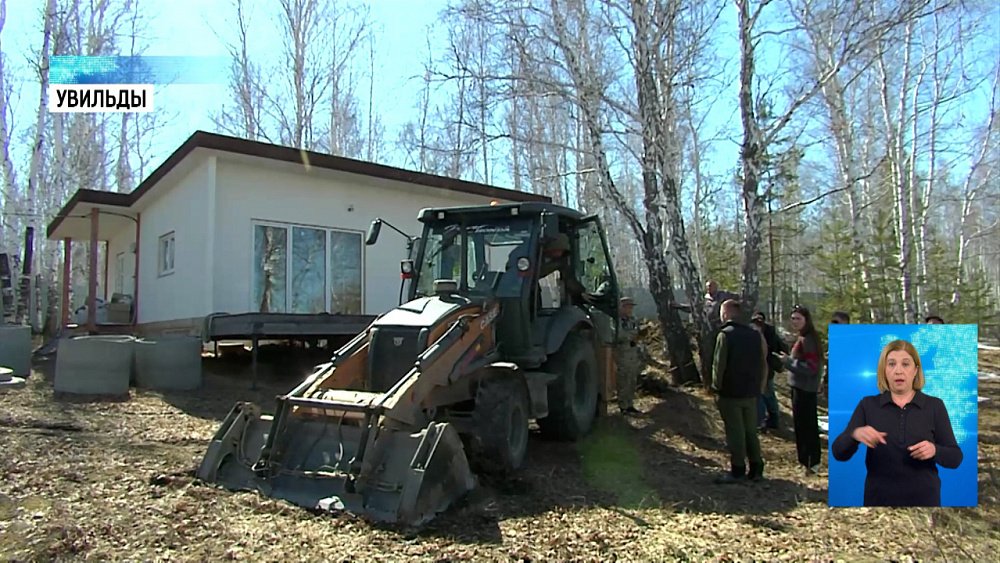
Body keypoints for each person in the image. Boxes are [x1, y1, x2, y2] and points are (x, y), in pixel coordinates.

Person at [831, 339, 963, 506]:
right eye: (891, 364)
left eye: (905, 364)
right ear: (884, 371)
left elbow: (955, 457)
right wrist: (855, 434)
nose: (898, 371)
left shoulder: (934, 406)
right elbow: (838, 452)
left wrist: (934, 450)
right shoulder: (868, 405)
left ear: (915, 370)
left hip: (924, 503)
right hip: (878, 503)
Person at [711, 299, 768, 483]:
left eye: (721, 311)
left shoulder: (725, 335)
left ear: (726, 313)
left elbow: (719, 365)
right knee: (751, 430)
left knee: (735, 431)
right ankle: (757, 467)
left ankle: (737, 469)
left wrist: (715, 387)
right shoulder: (754, 335)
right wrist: (760, 386)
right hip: (751, 391)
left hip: (730, 391)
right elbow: (762, 362)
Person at [777, 304, 824, 475]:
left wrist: (788, 362)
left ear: (806, 320)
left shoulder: (808, 340)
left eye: (798, 318)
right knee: (803, 426)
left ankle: (811, 462)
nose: (795, 322)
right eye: (793, 318)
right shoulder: (803, 337)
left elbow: (811, 367)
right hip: (801, 387)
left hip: (804, 388)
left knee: (806, 427)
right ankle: (808, 462)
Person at [751, 311, 786, 431]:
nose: (758, 322)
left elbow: (777, 348)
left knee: (767, 394)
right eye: (756, 320)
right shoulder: (752, 332)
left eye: (760, 319)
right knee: (762, 395)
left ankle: (771, 419)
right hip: (756, 368)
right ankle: (765, 419)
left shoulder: (769, 333)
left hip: (767, 368)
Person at [700, 280, 740, 382]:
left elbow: (738, 298)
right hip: (709, 330)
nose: (709, 288)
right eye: (707, 287)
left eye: (711, 286)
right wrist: (678, 306)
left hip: (722, 327)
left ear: (716, 287)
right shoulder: (704, 299)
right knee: (711, 353)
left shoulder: (723, 295)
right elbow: (694, 308)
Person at [616, 296, 642, 415]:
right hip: (622, 352)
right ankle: (623, 405)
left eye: (631, 307)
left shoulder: (633, 319)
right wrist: (630, 337)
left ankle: (630, 404)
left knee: (632, 379)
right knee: (623, 379)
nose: (630, 309)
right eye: (628, 307)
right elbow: (617, 335)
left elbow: (637, 331)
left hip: (632, 352)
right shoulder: (617, 321)